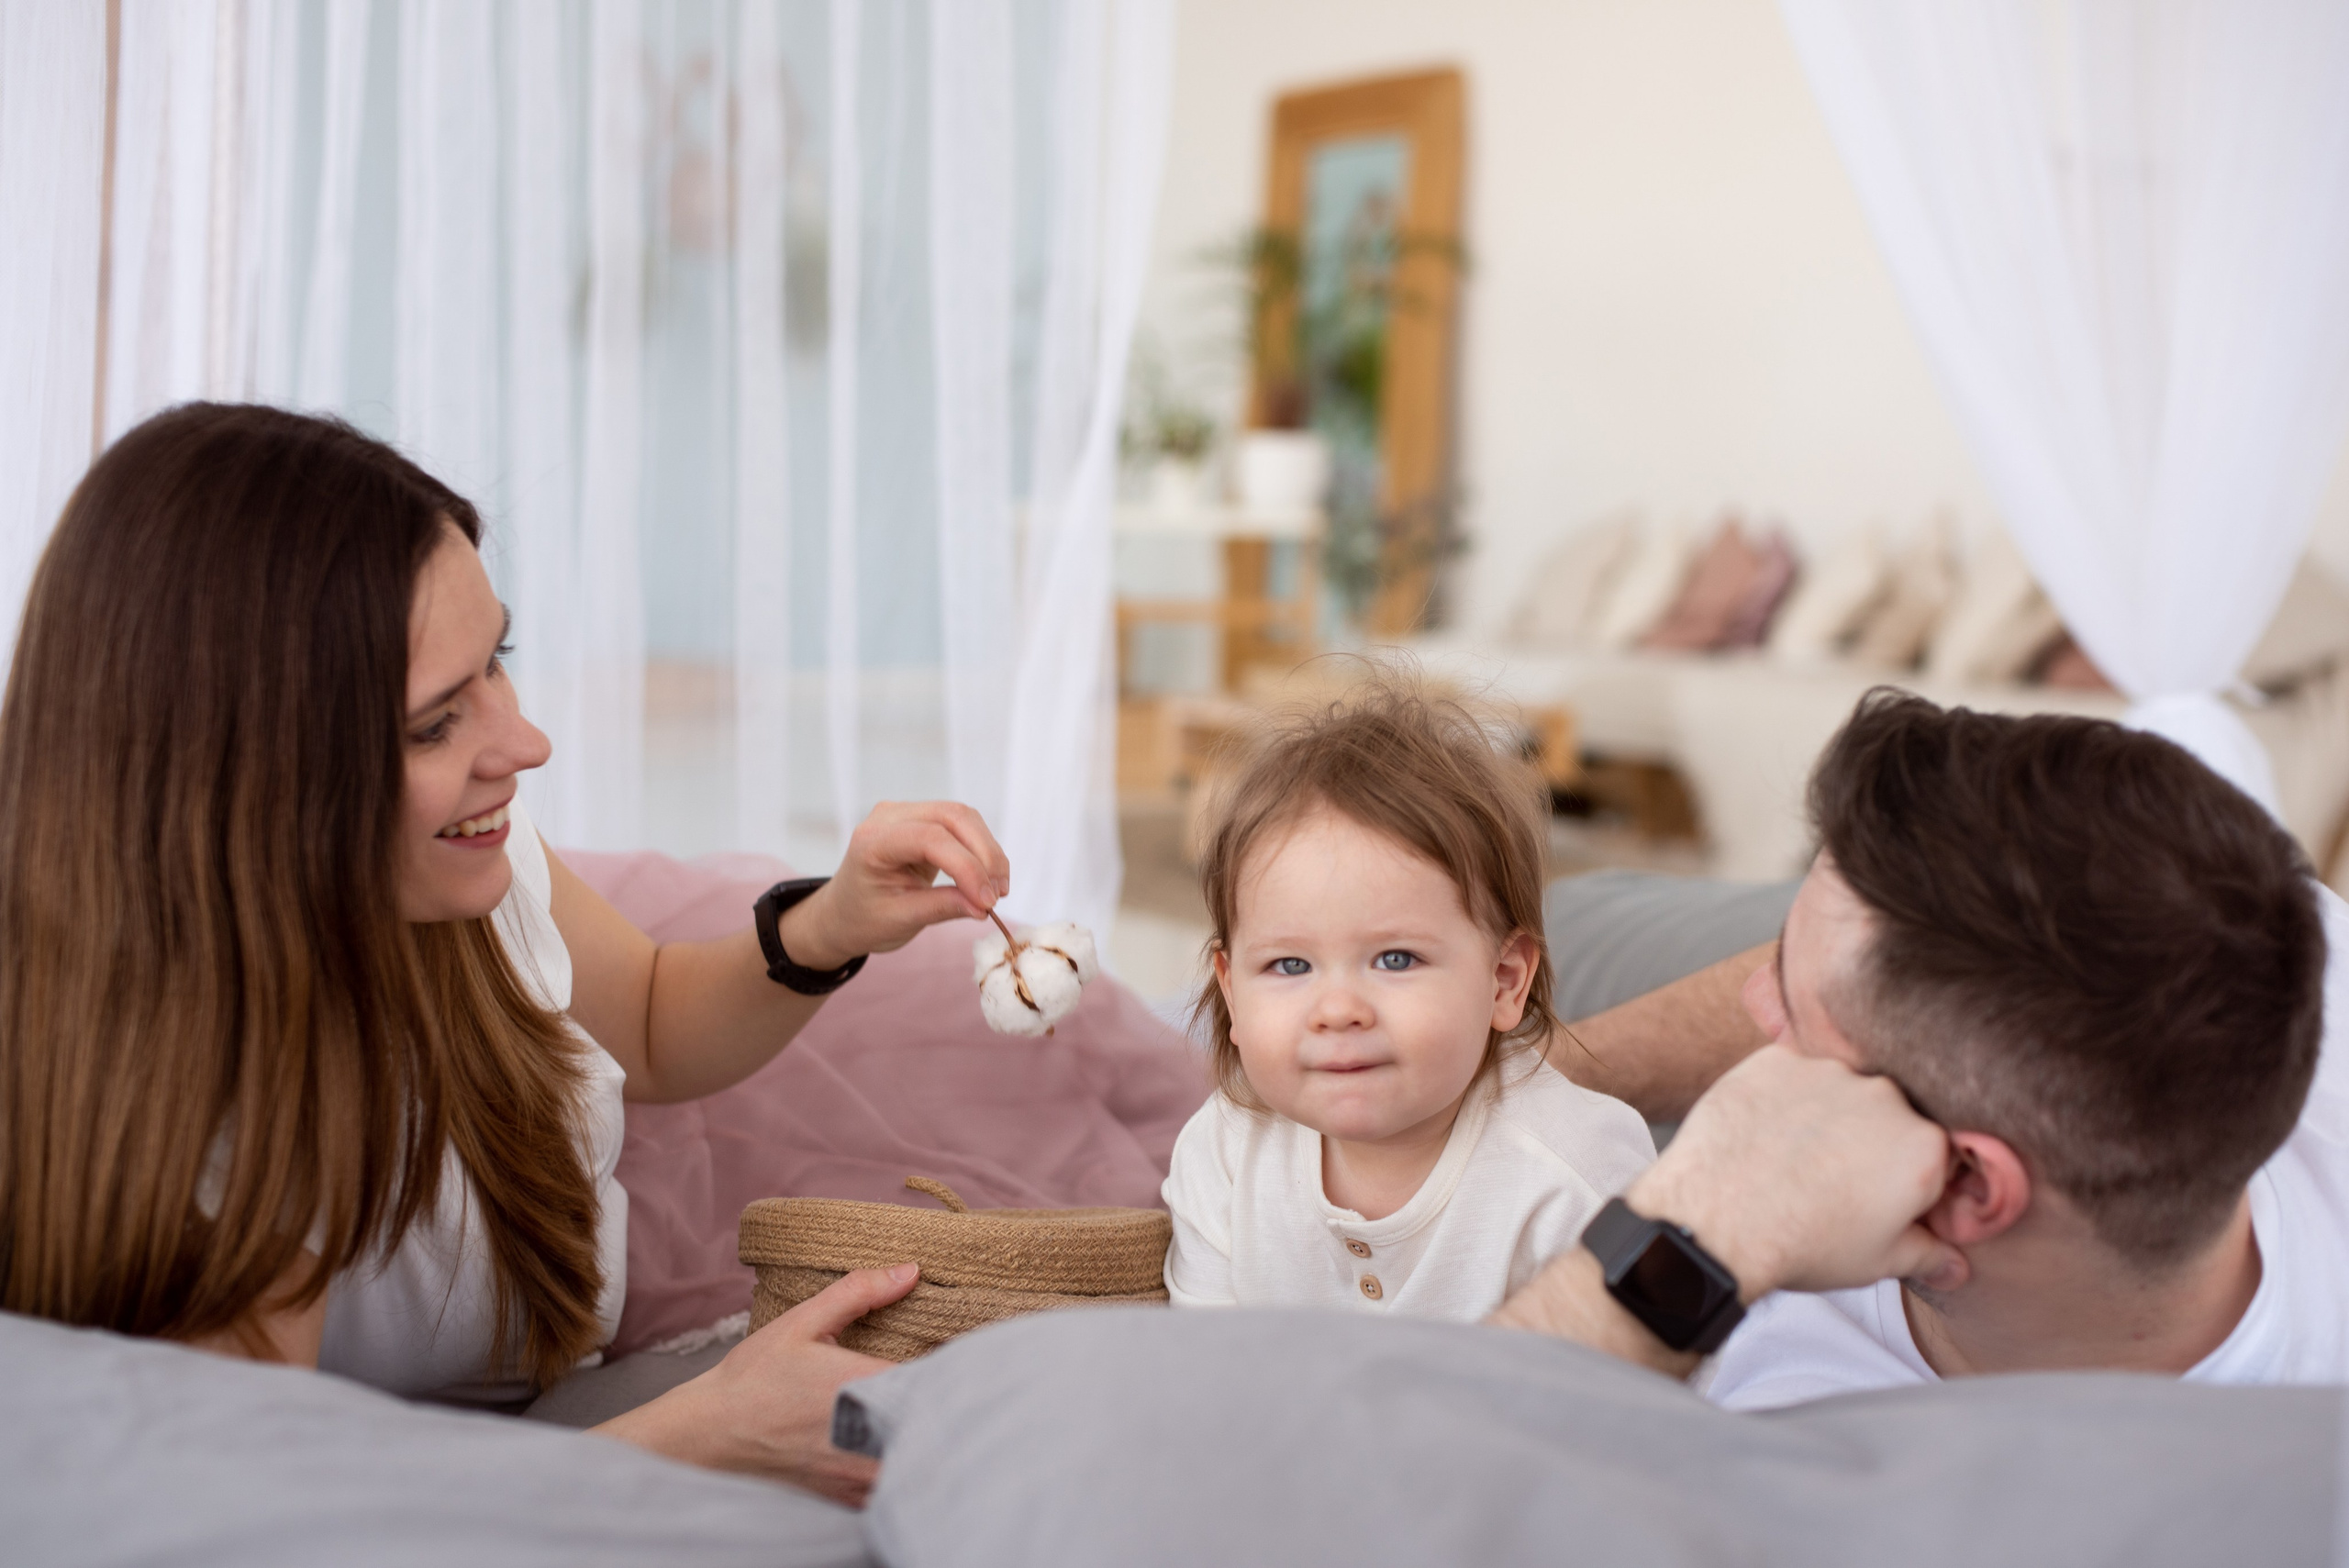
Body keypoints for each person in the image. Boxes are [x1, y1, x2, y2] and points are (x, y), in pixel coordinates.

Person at [0, 404, 1007, 1504]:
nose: (525, 744)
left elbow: (658, 1024)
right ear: (247, 785)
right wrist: (705, 1433)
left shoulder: (473, 869)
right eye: (436, 723)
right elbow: (269, 1515)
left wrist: (833, 923)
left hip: (573, 1400)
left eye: (499, 659)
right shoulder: (202, 1127)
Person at [1495, 692, 2349, 1404]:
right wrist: (1518, 1089)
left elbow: (1403, 1497)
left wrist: (1690, 1234)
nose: (1754, 1009)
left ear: (1963, 1185)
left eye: (1792, 1005)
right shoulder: (2277, 940)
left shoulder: (1797, 1428)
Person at [1162, 680, 1653, 1319]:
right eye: (1289, 964)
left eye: (1396, 959)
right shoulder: (1224, 1152)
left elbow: (1635, 1397)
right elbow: (1208, 1378)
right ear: (1230, 989)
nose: (1337, 1009)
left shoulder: (1572, 1173)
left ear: (1504, 981)